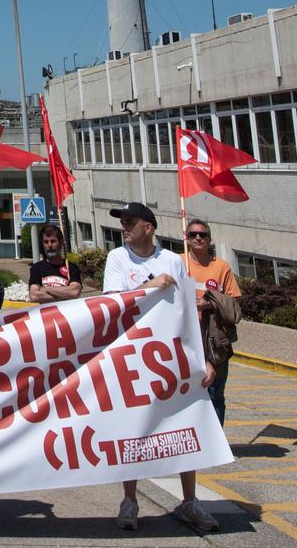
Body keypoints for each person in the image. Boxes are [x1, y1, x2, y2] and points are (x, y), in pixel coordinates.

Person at [102, 203, 215, 532]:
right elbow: (112, 304)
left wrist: (201, 357)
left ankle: (189, 500)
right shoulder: (118, 258)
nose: (124, 227)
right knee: (131, 427)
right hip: (132, 354)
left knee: (183, 421)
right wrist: (148, 287)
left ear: (148, 227)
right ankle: (130, 499)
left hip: (169, 354)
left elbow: (187, 312)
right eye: (122, 222)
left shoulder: (171, 261)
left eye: (130, 222)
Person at [182, 219, 242, 421]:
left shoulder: (221, 267)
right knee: (186, 396)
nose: (198, 238)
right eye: (193, 234)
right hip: (186, 336)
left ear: (209, 239)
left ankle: (217, 448)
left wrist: (209, 304)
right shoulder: (178, 262)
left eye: (203, 234)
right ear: (187, 238)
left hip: (214, 341)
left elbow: (234, 301)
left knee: (215, 395)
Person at [24, 225, 83, 303]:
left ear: (61, 242)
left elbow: (74, 292)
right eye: (45, 242)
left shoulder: (71, 268)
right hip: (46, 314)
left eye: (53, 241)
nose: (49, 245)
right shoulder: (36, 268)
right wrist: (65, 294)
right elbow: (34, 296)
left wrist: (46, 289)